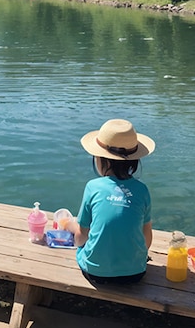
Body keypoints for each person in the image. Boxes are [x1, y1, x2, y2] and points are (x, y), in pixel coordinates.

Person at [65, 119, 155, 285]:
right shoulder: (142, 190)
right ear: (134, 161)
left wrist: (71, 226)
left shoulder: (93, 187)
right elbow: (147, 237)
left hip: (95, 273)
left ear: (101, 159)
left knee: (81, 246)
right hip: (135, 273)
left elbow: (80, 238)